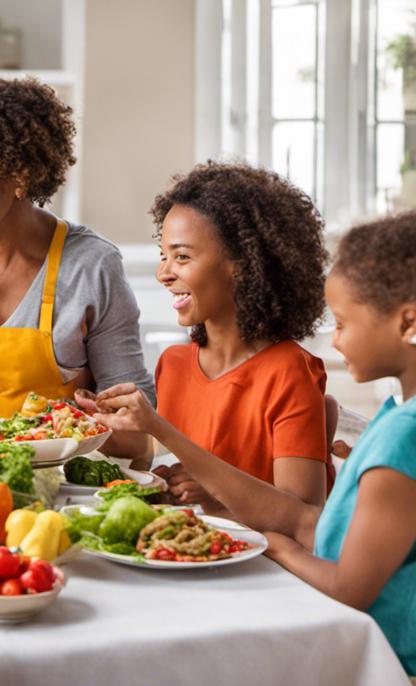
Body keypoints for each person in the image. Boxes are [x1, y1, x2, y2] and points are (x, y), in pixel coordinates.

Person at [93, 212, 416, 676]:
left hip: (374, 649)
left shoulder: (399, 435)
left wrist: (274, 545)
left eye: (342, 324)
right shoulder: (392, 422)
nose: (335, 339)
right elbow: (315, 523)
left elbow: (341, 577)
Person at [0, 75, 154, 462]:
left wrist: (99, 421)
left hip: (59, 481)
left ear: (18, 177)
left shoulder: (91, 266)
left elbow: (137, 429)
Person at [93, 162, 332, 511]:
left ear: (242, 264)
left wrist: (211, 491)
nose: (163, 273)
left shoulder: (289, 372)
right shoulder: (173, 365)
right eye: (164, 256)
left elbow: (305, 513)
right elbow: (186, 476)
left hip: (266, 563)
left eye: (182, 257)